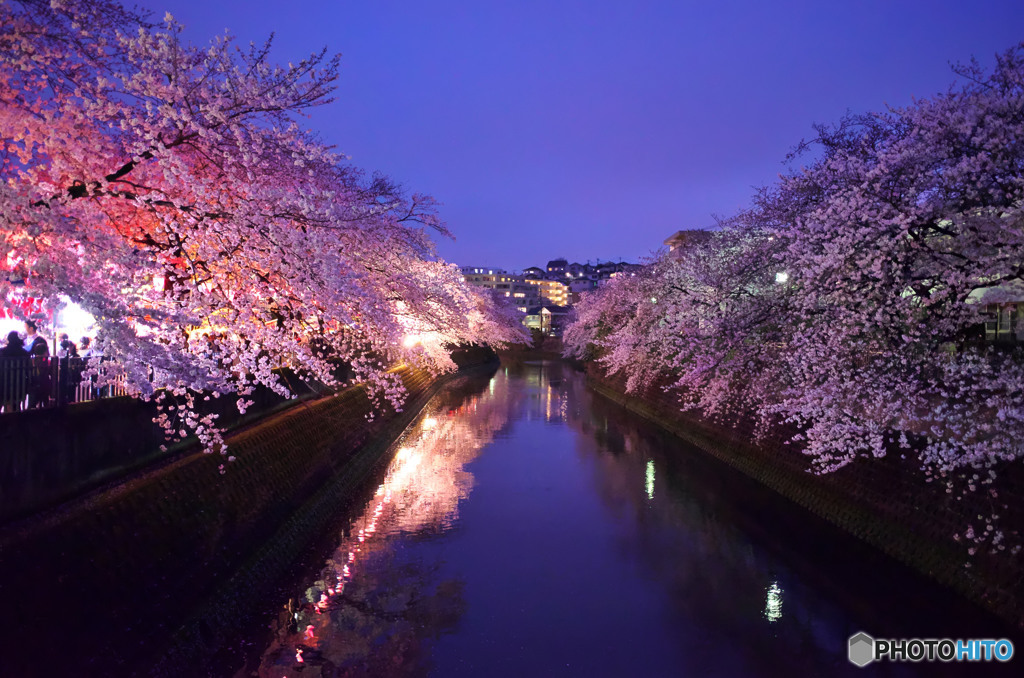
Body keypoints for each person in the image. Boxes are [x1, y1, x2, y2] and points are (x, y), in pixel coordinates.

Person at [1, 331, 28, 412]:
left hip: (3, 383)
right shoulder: (24, 353)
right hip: (19, 384)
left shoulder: (2, 352)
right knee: (16, 407)